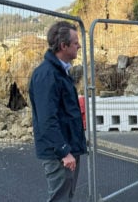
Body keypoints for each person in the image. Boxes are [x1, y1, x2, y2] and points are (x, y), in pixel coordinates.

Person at [29, 21, 87, 202]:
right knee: (60, 198)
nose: (79, 45)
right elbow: (47, 120)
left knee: (65, 197)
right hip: (60, 153)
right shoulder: (47, 74)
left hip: (68, 147)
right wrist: (64, 151)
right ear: (63, 45)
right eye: (75, 42)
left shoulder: (59, 72)